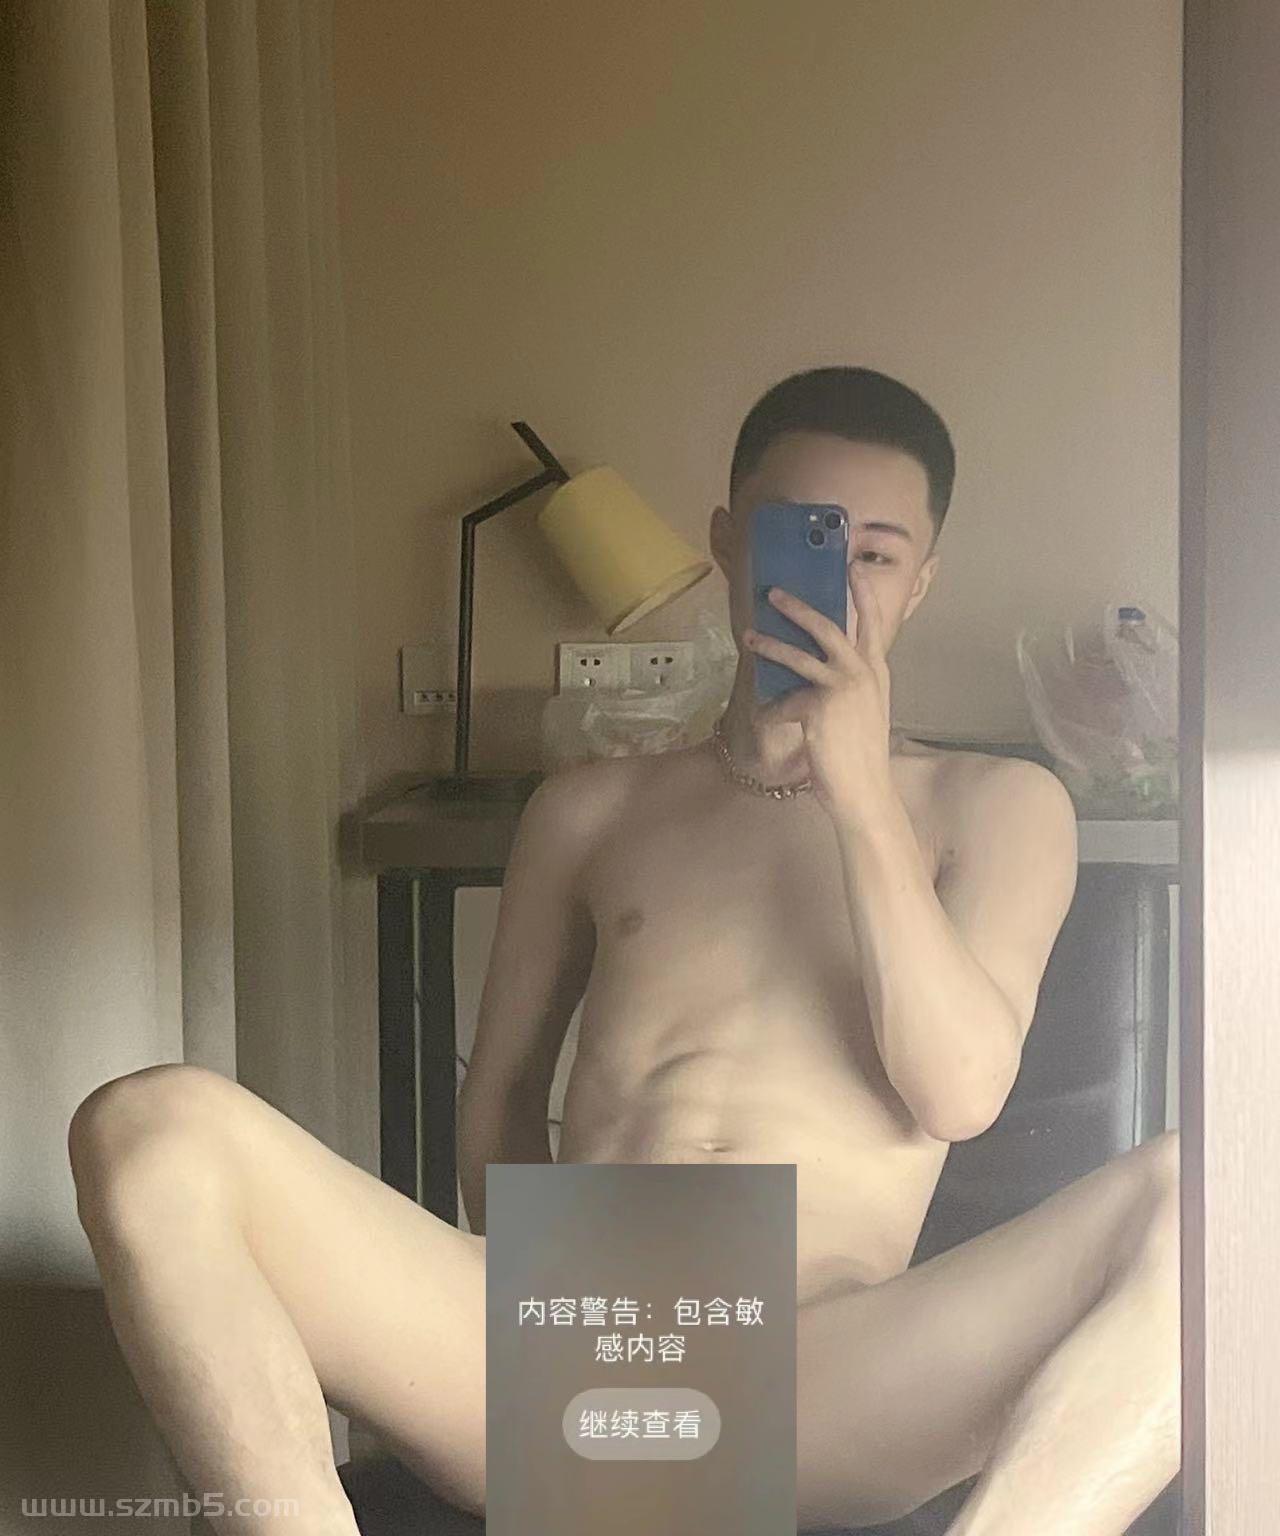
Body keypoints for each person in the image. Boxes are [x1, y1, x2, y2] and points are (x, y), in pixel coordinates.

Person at [68, 367, 1180, 1535]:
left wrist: (857, 794)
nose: (838, 583)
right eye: (801, 537)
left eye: (875, 554)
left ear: (921, 582)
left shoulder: (997, 805)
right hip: (577, 1326)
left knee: (1214, 1193)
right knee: (148, 1124)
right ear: (727, 542)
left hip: (824, 1367)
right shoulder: (592, 807)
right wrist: (558, 1331)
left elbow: (956, 1092)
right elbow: (498, 1096)